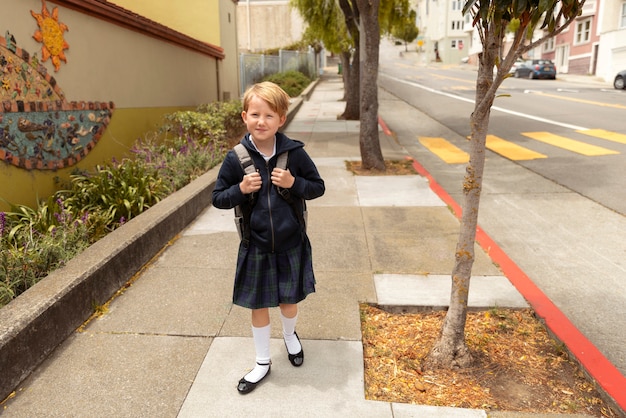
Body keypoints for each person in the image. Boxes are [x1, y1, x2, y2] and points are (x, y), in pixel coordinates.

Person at [212, 81, 325, 394]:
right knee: (258, 305)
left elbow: (317, 187)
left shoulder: (295, 154)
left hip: (291, 244)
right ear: (244, 116)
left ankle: (290, 336)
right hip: (256, 246)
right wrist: (240, 190)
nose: (261, 121)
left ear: (281, 120)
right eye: (255, 114)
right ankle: (262, 361)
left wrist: (293, 182)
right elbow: (218, 197)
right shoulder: (235, 159)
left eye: (269, 115)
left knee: (289, 303)